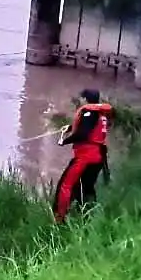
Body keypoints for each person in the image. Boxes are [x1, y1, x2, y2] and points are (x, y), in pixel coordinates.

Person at [52, 88, 114, 224]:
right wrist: (69, 128)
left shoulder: (88, 111)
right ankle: (88, 218)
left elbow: (83, 134)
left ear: (85, 99)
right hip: (98, 158)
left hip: (86, 157)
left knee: (65, 185)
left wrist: (64, 141)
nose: (80, 101)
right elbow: (91, 128)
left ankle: (59, 219)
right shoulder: (100, 113)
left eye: (82, 99)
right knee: (86, 188)